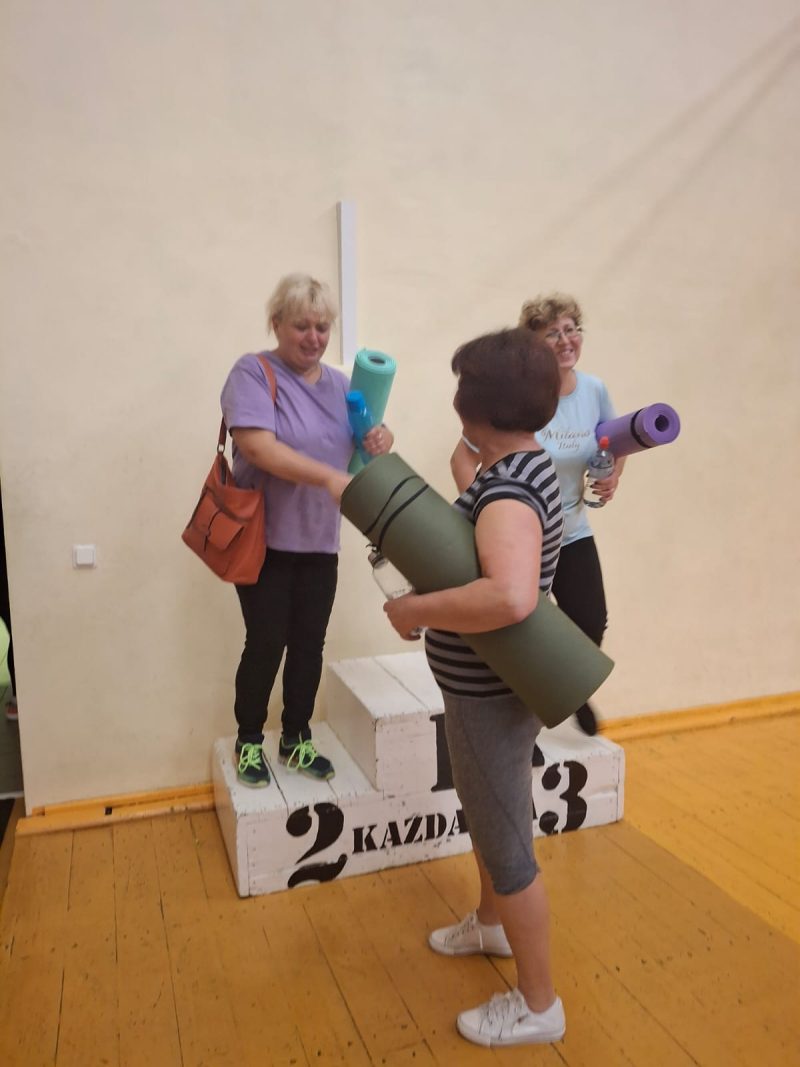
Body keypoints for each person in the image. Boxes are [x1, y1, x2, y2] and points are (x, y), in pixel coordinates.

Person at [383, 328, 567, 1048]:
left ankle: (539, 1004)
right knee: (492, 816)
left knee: (507, 844)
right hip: (484, 689)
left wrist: (416, 610)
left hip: (490, 695)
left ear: (478, 405)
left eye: (462, 386)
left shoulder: (509, 489)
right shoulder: (515, 467)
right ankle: (491, 924)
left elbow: (510, 596)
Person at [220, 273, 393, 788]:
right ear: (276, 324)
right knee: (266, 642)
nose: (314, 337)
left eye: (322, 327)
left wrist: (380, 439)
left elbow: (360, 448)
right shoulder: (253, 373)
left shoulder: (343, 386)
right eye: (302, 326)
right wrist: (328, 477)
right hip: (264, 541)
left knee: (309, 645)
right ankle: (249, 740)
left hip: (319, 541)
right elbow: (259, 448)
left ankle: (296, 738)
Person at [451, 292, 623, 735]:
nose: (565, 340)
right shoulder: (522, 398)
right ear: (533, 347)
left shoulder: (594, 390)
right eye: (552, 334)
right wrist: (483, 509)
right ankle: (526, 715)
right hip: (524, 533)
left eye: (571, 330)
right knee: (523, 623)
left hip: (572, 527)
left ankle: (568, 689)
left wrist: (612, 477)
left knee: (590, 621)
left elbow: (617, 440)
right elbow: (463, 458)